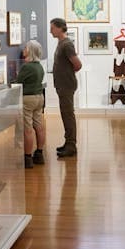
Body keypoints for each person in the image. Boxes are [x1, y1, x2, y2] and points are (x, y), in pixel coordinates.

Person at [50, 17, 82, 157]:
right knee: (65, 114)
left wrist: (67, 74)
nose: (51, 31)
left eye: (52, 28)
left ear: (59, 27)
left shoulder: (66, 44)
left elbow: (78, 64)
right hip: (62, 84)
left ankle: (71, 145)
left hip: (66, 85)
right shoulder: (61, 43)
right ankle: (68, 142)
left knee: (68, 114)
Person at [14, 40, 46, 169]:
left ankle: (27, 158)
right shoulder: (39, 66)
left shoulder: (27, 67)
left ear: (30, 51)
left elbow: (18, 82)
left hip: (27, 99)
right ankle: (39, 154)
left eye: (26, 48)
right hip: (39, 97)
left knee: (27, 129)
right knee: (38, 126)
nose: (24, 49)